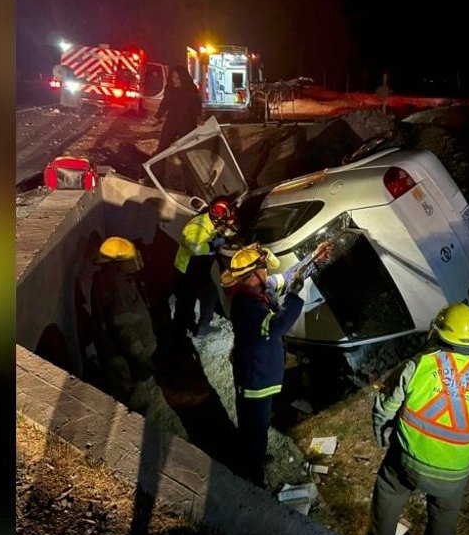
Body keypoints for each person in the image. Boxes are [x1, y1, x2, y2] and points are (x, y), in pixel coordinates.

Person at [363, 302, 469, 535]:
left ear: (439, 333)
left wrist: (382, 435)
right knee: (445, 518)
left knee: (389, 489)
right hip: (454, 475)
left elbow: (385, 407)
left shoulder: (417, 366)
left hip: (408, 462)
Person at [221, 241, 332, 488]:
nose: (268, 273)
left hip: (261, 375)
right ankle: (252, 479)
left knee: (257, 427)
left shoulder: (254, 290)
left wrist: (313, 259)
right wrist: (293, 296)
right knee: (255, 430)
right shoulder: (247, 308)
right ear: (253, 275)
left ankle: (253, 459)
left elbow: (289, 276)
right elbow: (279, 325)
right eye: (264, 268)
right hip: (255, 381)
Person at [88, 236, 157, 411]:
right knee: (128, 398)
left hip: (123, 354)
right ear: (114, 262)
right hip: (121, 357)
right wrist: (141, 358)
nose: (134, 260)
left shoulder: (115, 278)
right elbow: (124, 329)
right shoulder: (116, 287)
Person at [171, 196, 235, 340]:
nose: (224, 225)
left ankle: (186, 328)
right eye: (223, 222)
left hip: (197, 267)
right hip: (188, 269)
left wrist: (224, 237)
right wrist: (216, 244)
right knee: (194, 298)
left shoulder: (210, 221)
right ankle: (190, 331)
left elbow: (214, 234)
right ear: (217, 219)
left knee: (194, 298)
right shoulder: (197, 226)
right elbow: (195, 248)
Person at [153, 64, 203, 155]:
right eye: (173, 77)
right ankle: (156, 167)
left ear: (183, 78)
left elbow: (196, 104)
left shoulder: (191, 89)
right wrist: (158, 116)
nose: (174, 80)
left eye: (177, 78)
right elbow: (165, 102)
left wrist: (199, 117)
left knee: (187, 150)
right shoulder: (170, 88)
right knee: (162, 147)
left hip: (187, 123)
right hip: (172, 121)